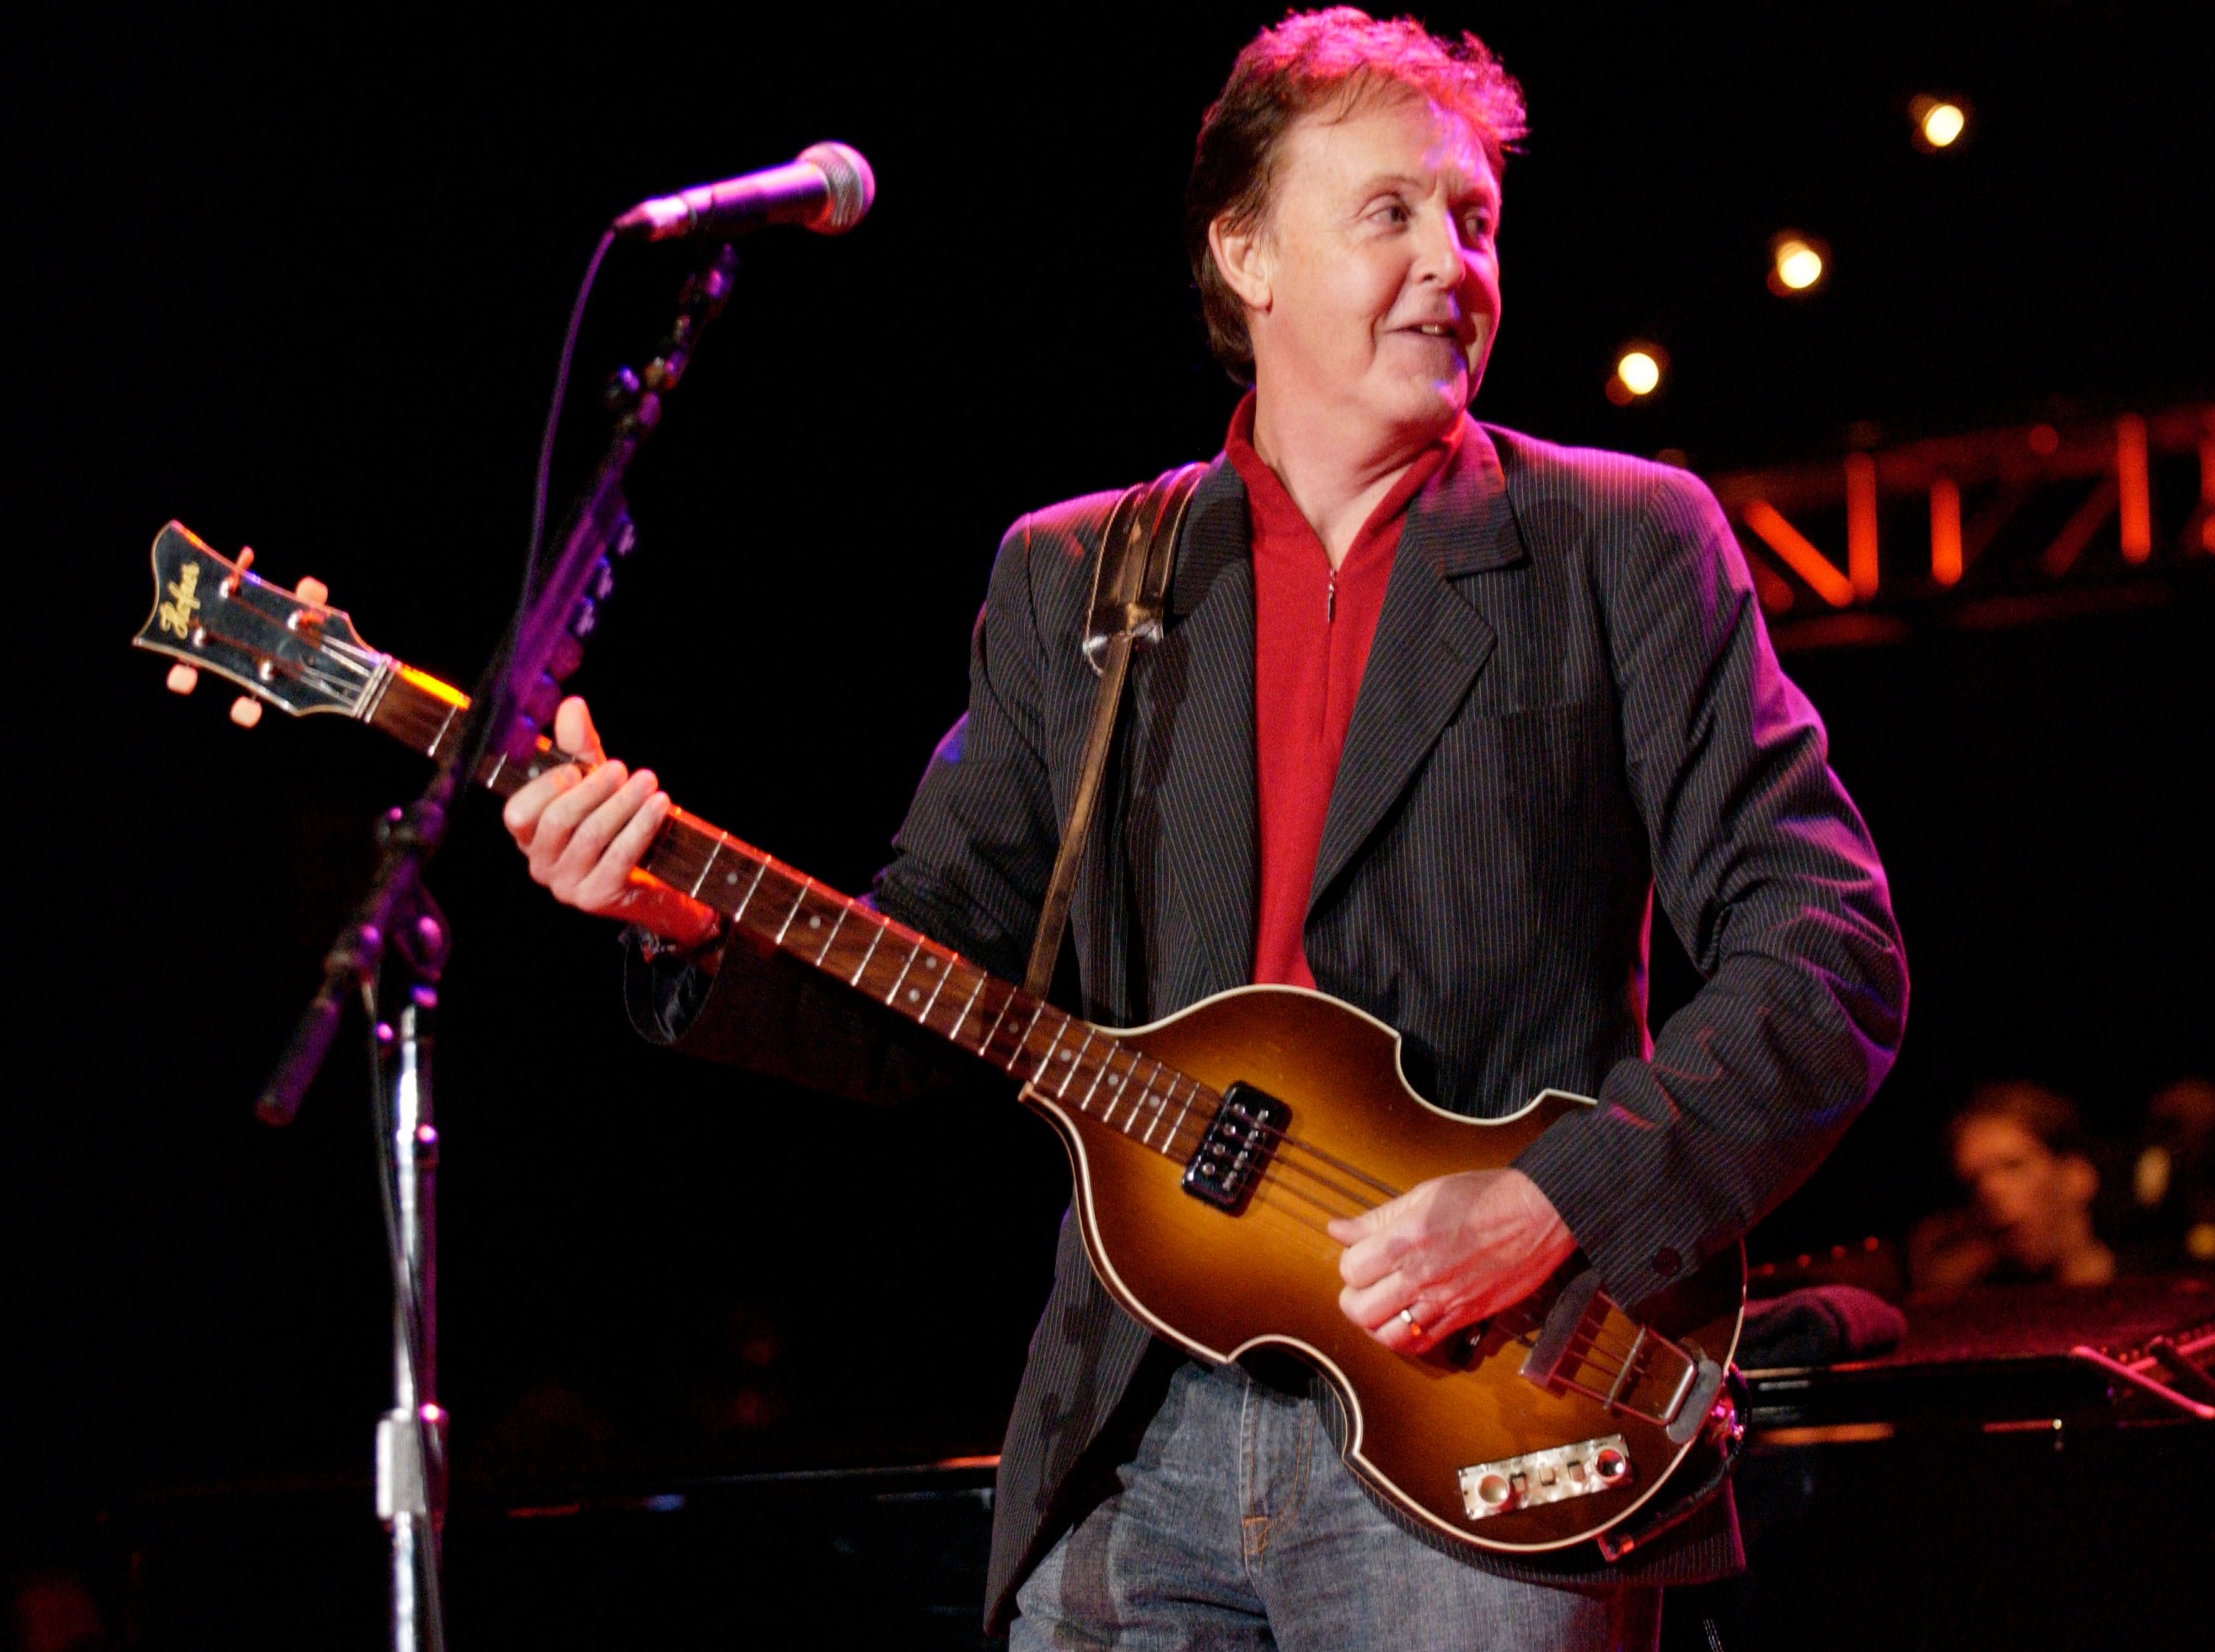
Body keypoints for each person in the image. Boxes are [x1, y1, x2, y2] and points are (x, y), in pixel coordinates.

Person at [503, 11, 1906, 1647]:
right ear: (1243, 250)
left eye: (1474, 219)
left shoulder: (1619, 539)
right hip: (1130, 1433)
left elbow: (1825, 947)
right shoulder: (1078, 574)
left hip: (1488, 1408)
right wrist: (680, 919)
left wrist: (1552, 1200)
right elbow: (932, 975)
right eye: (1389, 210)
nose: (1452, 262)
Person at [1909, 1081, 2116, 1295]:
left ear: (2078, 1174)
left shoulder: (2148, 1287)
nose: (1989, 1191)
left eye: (2012, 1166)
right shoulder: (1981, 1308)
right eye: (1973, 1182)